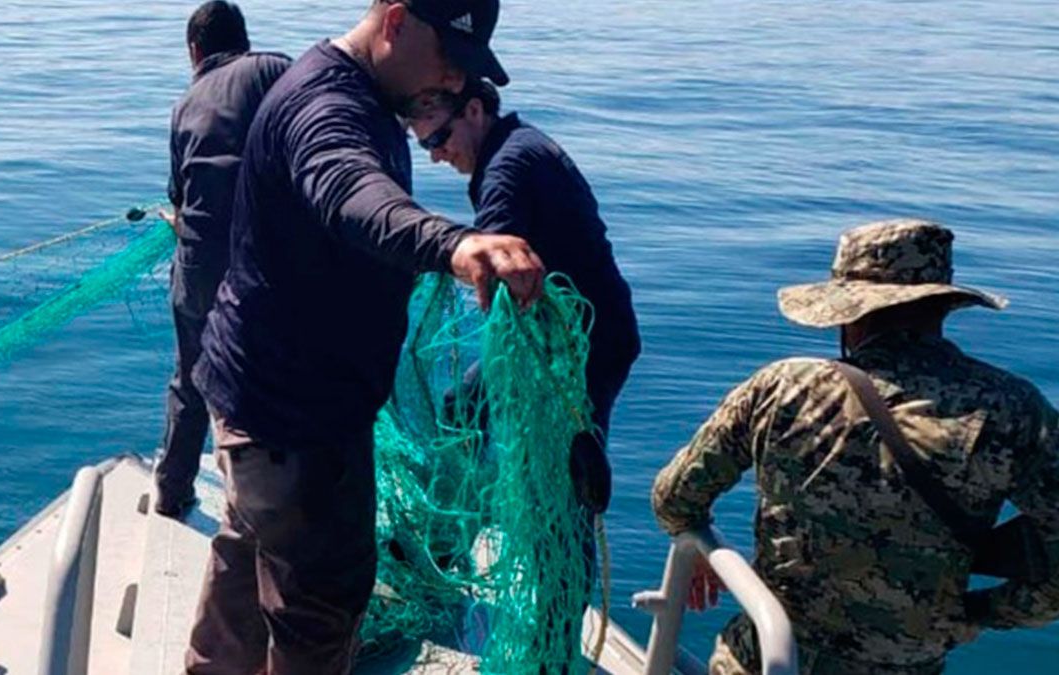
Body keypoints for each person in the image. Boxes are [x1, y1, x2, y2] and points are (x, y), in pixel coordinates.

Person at [185, 1, 546, 673]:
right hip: (295, 420)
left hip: (257, 398)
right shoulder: (326, 107)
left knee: (245, 549)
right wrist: (455, 243)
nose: (456, 82)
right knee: (320, 602)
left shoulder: (358, 96)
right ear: (397, 21)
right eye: (450, 58)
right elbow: (349, 188)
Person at [651, 219, 1058, 674]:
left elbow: (674, 497)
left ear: (849, 315)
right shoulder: (1013, 409)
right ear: (942, 309)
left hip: (766, 657)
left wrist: (699, 544)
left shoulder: (782, 388)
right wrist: (977, 611)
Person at [406, 78, 641, 516]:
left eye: (438, 138)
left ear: (474, 111)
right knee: (464, 405)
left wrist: (430, 249)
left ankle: (559, 573)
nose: (436, 154)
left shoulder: (507, 166)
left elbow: (489, 264)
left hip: (584, 343)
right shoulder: (517, 146)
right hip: (571, 330)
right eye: (425, 146)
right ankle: (465, 517)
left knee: (559, 471)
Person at [154, 1, 291, 518]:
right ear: (244, 40)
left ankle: (171, 492)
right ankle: (258, 508)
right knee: (259, 383)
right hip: (255, 271)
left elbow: (179, 200)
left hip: (194, 269)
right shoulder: (271, 69)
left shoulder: (184, 104)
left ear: (195, 51)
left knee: (190, 381)